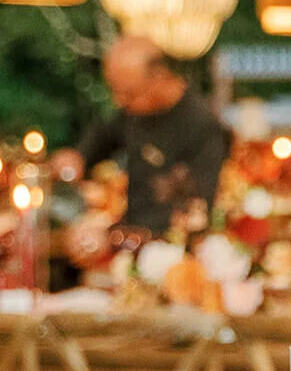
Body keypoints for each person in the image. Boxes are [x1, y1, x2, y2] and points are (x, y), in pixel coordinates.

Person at [54, 35, 230, 237]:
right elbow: (102, 137)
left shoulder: (202, 126)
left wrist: (111, 233)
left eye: (129, 93)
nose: (120, 101)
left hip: (170, 248)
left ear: (159, 77)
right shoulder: (135, 113)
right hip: (129, 236)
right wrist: (78, 157)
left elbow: (196, 210)